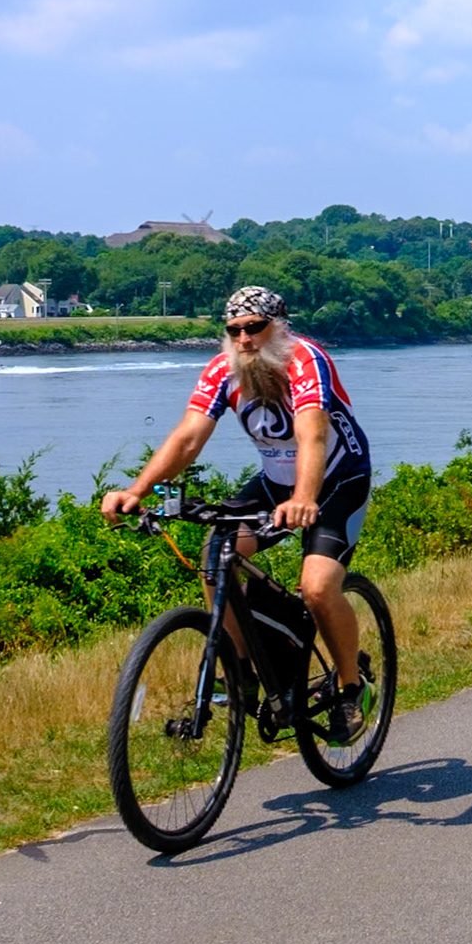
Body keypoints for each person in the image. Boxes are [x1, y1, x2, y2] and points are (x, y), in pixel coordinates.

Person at [101, 286, 375, 742]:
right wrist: (137, 489)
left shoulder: (306, 360)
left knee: (318, 587)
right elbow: (189, 436)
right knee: (216, 555)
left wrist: (305, 498)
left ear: (279, 327)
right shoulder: (223, 370)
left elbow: (312, 435)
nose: (244, 338)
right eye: (234, 330)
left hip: (336, 479)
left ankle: (351, 688)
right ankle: (243, 669)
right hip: (275, 483)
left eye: (254, 328)